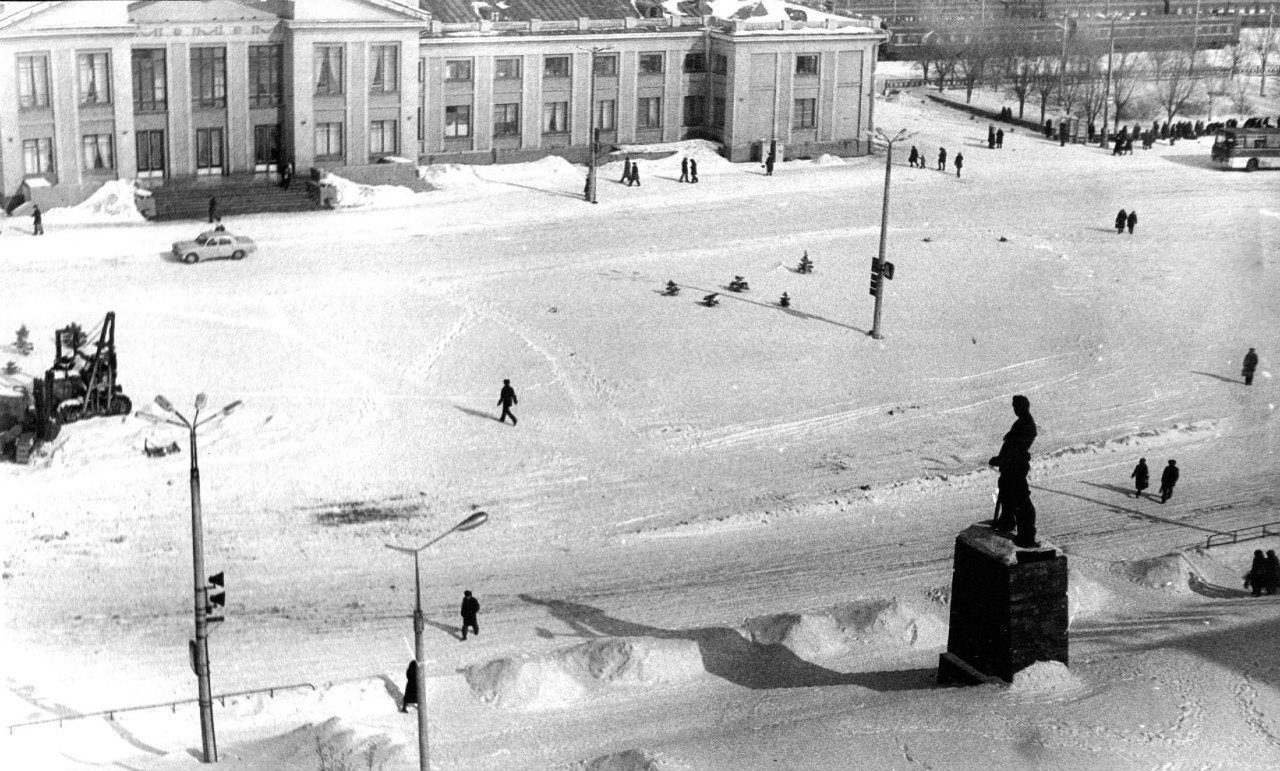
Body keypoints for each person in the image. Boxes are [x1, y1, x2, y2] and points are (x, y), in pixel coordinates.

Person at [989, 395, 1038, 547]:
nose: (1015, 410)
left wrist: (1002, 460)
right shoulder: (1020, 423)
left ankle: (1027, 535)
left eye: (1017, 407)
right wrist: (1000, 458)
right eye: (1014, 407)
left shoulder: (1027, 425)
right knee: (1005, 492)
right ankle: (1007, 521)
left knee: (1021, 500)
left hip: (1016, 467)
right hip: (1010, 466)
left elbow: (1017, 450)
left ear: (1025, 407)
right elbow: (1011, 447)